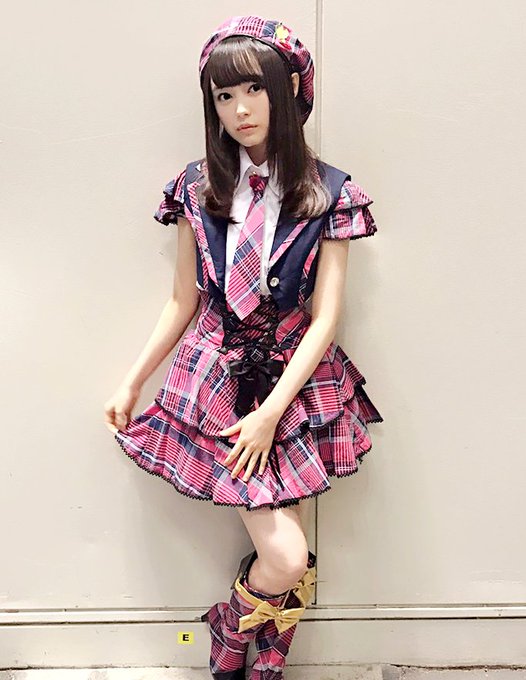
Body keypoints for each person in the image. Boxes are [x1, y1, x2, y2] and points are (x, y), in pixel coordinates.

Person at [104, 14, 383, 680]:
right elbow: (184, 300)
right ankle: (248, 637)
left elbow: (326, 319)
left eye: (254, 89)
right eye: (224, 95)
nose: (240, 110)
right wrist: (132, 380)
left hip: (293, 382)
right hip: (218, 380)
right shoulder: (197, 186)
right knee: (287, 554)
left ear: (289, 89)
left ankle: (243, 634)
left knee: (289, 549)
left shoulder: (331, 193)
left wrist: (271, 413)